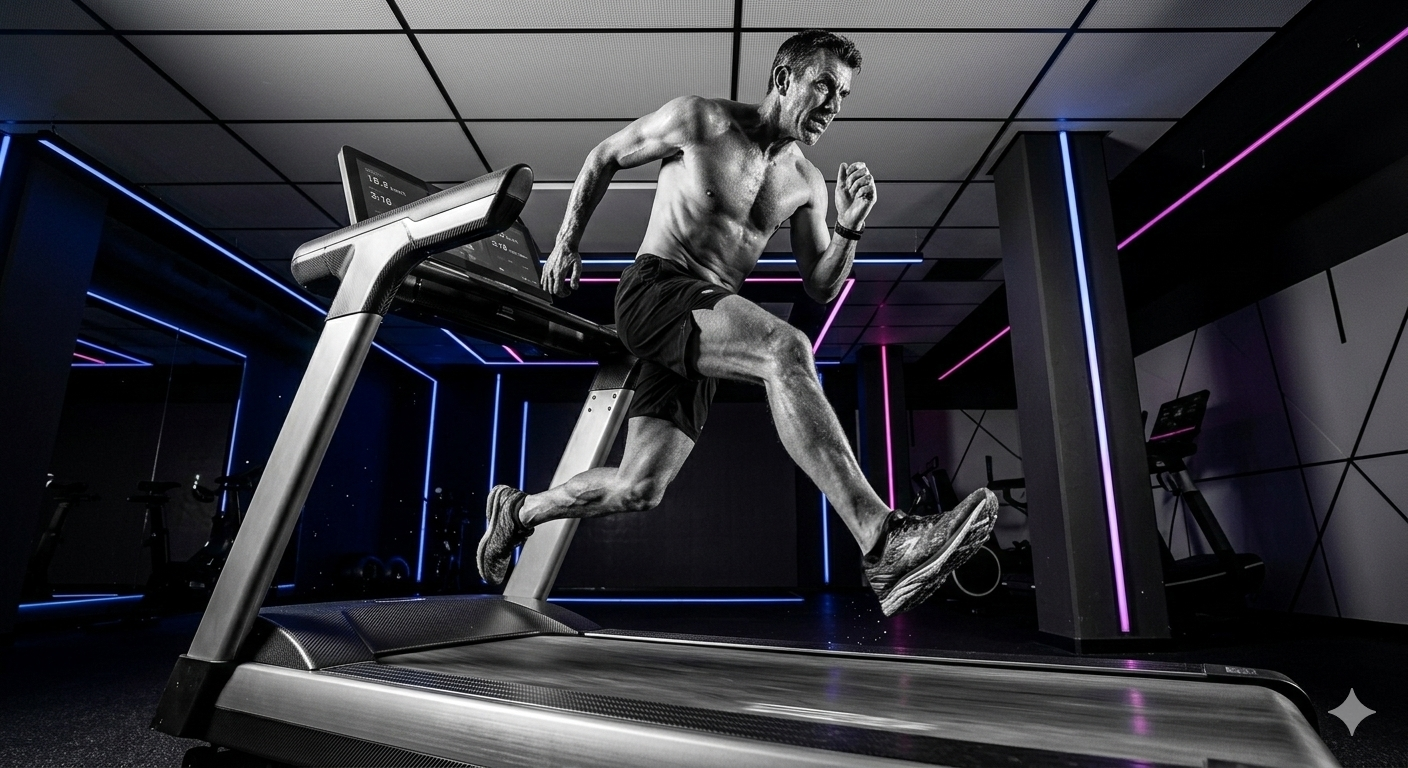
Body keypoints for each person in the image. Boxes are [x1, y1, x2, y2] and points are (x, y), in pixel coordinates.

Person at [478, 30, 996, 616]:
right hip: (655, 288)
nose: (834, 105)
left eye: (843, 95)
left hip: (703, 318)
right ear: (784, 78)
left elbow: (820, 284)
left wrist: (850, 226)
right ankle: (882, 539)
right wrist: (566, 243)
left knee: (640, 487)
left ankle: (518, 511)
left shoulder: (806, 182)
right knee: (785, 348)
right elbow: (605, 156)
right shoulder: (701, 121)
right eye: (824, 85)